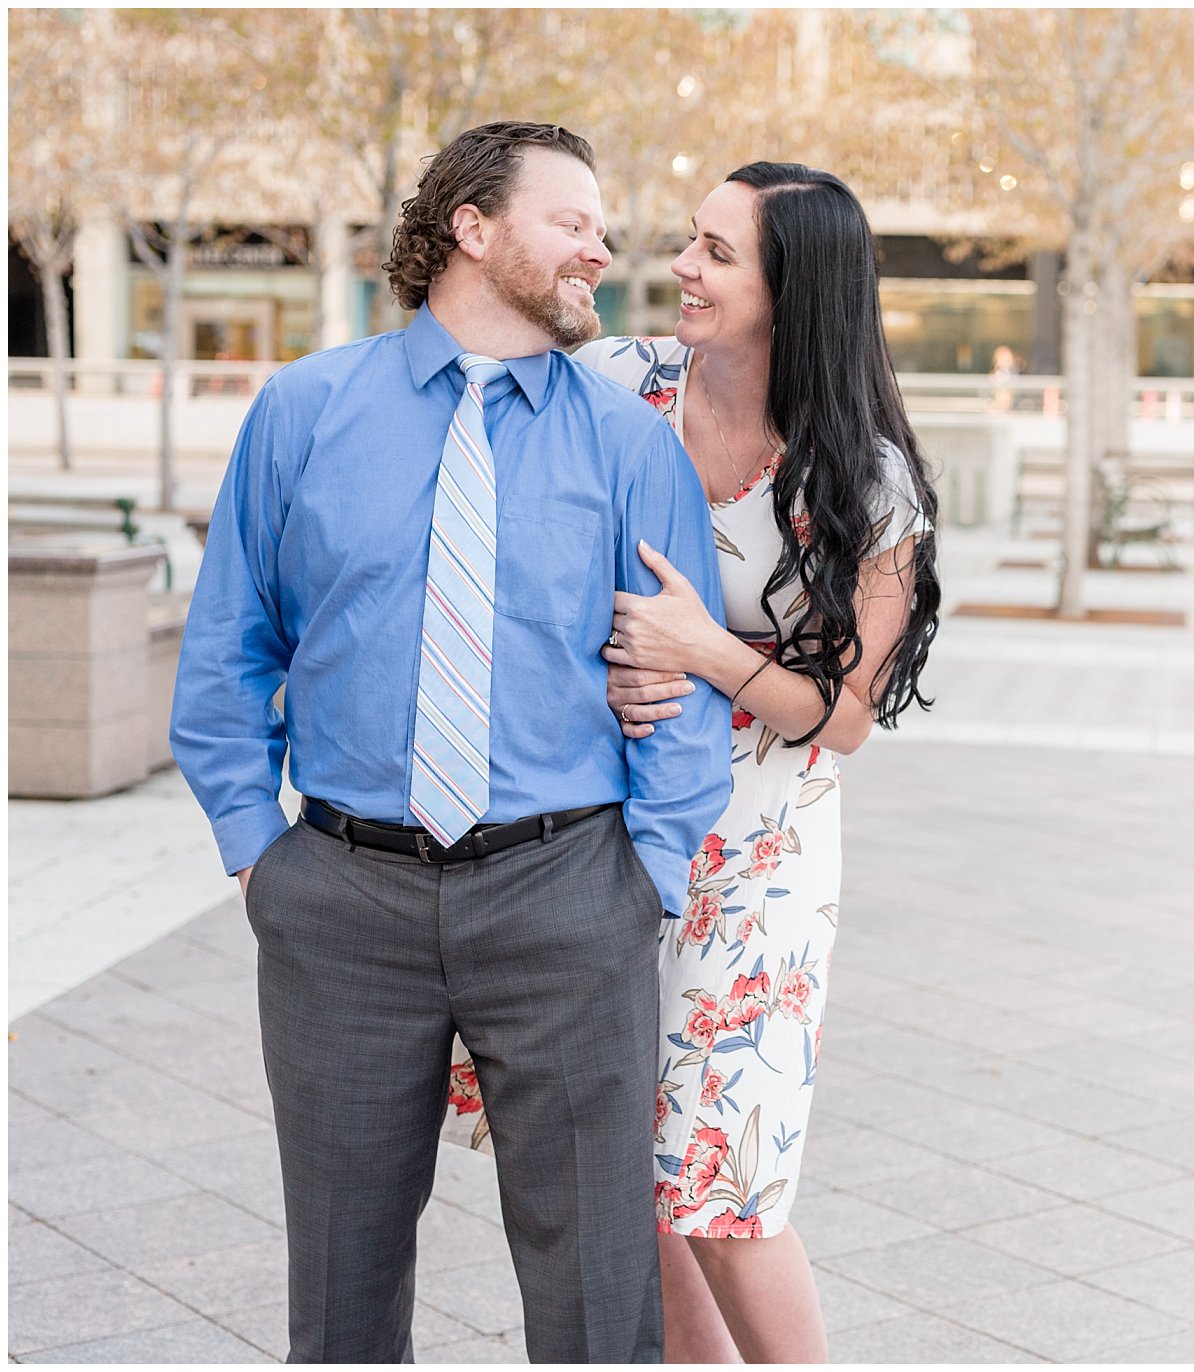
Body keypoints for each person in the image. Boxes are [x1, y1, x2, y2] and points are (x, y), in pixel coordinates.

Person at [169, 121, 731, 1364]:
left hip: (570, 890)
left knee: (597, 1291)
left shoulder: (629, 445)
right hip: (339, 898)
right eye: (571, 220)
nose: (602, 247)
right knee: (342, 1286)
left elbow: (684, 681)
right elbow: (228, 653)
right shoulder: (303, 411)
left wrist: (647, 872)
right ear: (472, 229)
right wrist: (260, 851)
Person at [445, 161, 942, 1363]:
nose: (682, 267)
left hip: (754, 859)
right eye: (691, 240)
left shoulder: (863, 480)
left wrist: (704, 649)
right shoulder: (618, 383)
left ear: (795, 288)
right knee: (618, 1162)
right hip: (588, 828)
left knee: (723, 1182)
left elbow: (845, 716)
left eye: (719, 253)